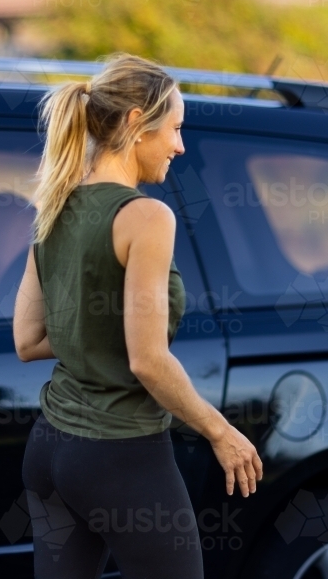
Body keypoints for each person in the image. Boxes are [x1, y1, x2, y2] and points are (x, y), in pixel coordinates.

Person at [13, 53, 264, 579]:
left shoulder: (54, 203)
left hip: (50, 449)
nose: (180, 145)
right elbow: (148, 361)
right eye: (174, 128)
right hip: (120, 457)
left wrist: (103, 333)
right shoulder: (146, 216)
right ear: (135, 124)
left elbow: (29, 340)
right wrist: (221, 432)